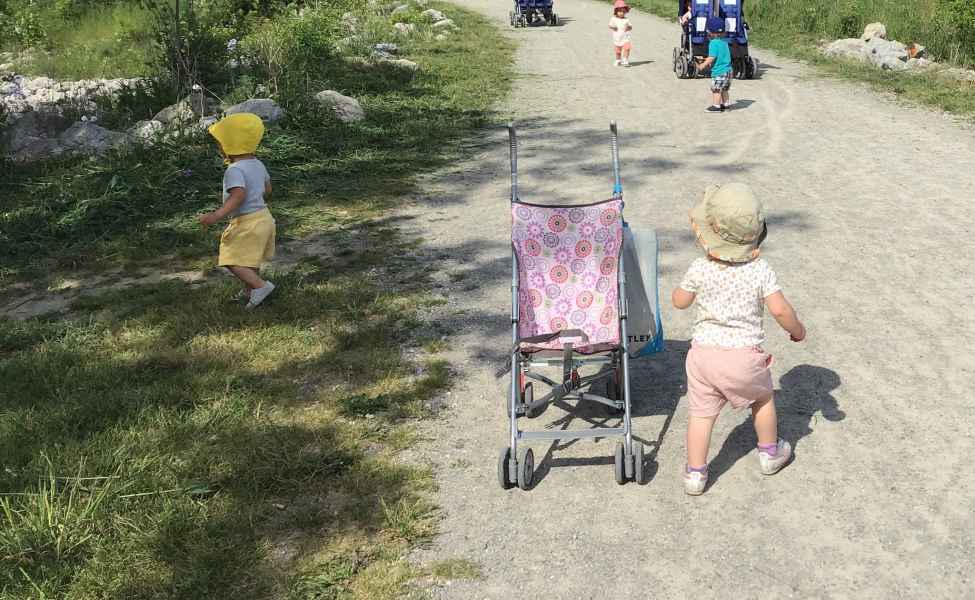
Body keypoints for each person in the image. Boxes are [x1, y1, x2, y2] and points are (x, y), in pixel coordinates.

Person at [672, 183, 806, 496]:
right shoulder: (760, 270)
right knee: (763, 398)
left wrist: (680, 293)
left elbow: (679, 301)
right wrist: (796, 330)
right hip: (743, 358)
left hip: (703, 357)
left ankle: (695, 473)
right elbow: (780, 310)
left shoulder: (700, 268)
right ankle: (770, 453)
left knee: (701, 415)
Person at [199, 112, 277, 309]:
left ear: (229, 145)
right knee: (248, 258)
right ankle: (251, 289)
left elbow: (238, 196)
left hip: (247, 221)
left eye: (220, 143)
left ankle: (261, 286)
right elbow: (268, 189)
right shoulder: (258, 164)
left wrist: (216, 215)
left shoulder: (234, 170)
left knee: (231, 258)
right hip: (264, 217)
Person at [698, 16, 733, 112]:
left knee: (716, 89)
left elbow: (711, 58)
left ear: (711, 32)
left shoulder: (713, 43)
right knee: (725, 89)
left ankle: (716, 106)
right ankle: (726, 105)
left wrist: (702, 65)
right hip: (728, 71)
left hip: (719, 72)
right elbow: (723, 55)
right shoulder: (725, 42)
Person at [609, 0, 633, 67]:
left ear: (625, 12)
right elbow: (610, 25)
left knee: (627, 48)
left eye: (623, 11)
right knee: (618, 52)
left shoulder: (626, 19)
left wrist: (629, 27)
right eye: (619, 11)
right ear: (616, 11)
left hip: (625, 38)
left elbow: (630, 26)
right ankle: (618, 60)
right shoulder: (613, 19)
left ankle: (625, 59)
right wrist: (613, 27)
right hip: (617, 38)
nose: (621, 13)